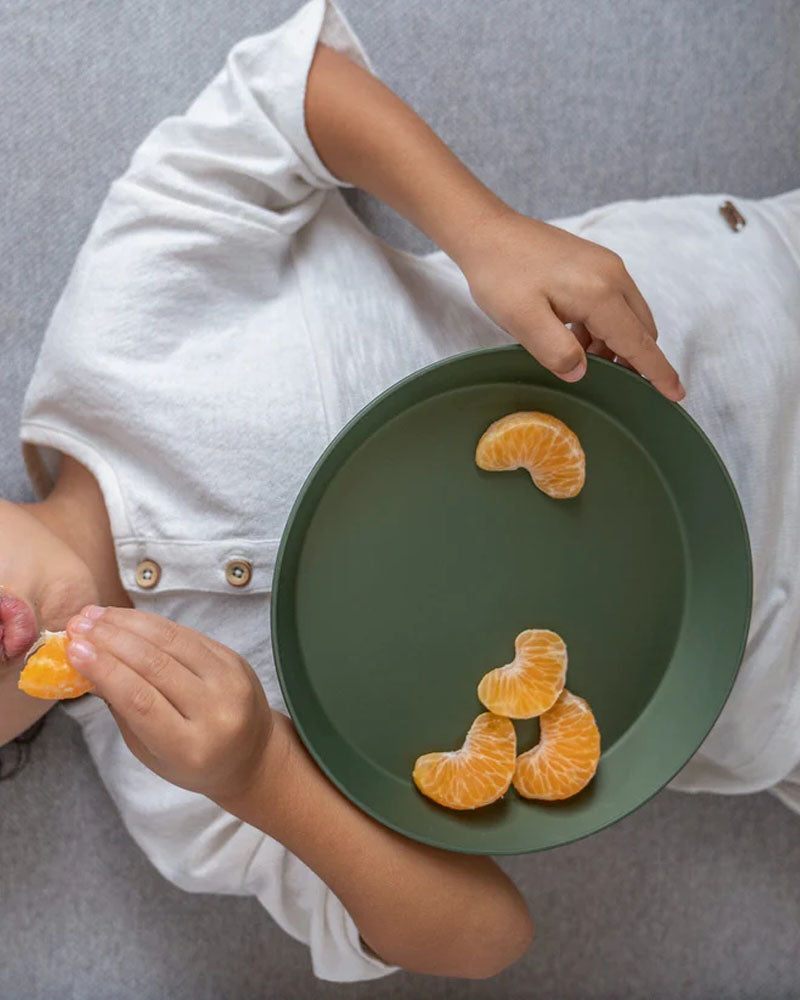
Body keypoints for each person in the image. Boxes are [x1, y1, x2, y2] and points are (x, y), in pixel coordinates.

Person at [2, 0, 798, 982]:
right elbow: (480, 937)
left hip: (739, 321)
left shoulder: (121, 328)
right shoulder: (182, 800)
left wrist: (484, 230)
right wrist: (259, 771)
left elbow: (284, 92)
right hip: (766, 672)